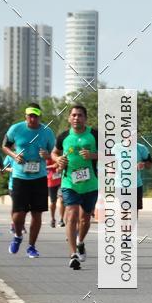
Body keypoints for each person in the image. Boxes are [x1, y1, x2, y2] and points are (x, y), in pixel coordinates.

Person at [2, 104, 55, 257]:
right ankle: (18, 236)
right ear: (25, 116)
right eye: (30, 115)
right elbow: (5, 146)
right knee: (19, 215)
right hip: (20, 177)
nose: (33, 119)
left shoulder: (47, 132)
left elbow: (53, 152)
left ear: (40, 116)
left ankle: (31, 246)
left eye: (36, 116)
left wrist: (46, 155)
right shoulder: (16, 129)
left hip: (39, 177)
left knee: (37, 214)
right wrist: (14, 156)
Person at [53, 105, 99, 270]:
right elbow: (54, 153)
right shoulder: (63, 136)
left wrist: (93, 155)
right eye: (73, 115)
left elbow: (111, 154)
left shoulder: (95, 134)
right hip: (69, 183)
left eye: (80, 115)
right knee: (71, 216)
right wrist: (58, 160)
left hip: (91, 184)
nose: (76, 118)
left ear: (85, 118)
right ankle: (73, 255)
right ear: (69, 118)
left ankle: (80, 242)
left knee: (85, 218)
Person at [46, 160, 63, 227]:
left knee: (62, 200)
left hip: (61, 182)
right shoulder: (48, 155)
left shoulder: (63, 154)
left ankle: (61, 220)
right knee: (53, 202)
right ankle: (52, 219)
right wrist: (52, 166)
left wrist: (60, 167)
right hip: (51, 182)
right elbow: (42, 166)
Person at [136, 141, 152, 210]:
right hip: (121, 184)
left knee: (134, 211)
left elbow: (149, 164)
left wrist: (143, 164)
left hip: (137, 184)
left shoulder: (141, 148)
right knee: (123, 210)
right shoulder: (117, 148)